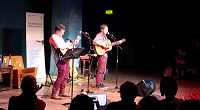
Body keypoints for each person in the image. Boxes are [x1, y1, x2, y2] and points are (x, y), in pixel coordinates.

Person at [49, 24, 81, 100]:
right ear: (57, 31)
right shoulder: (53, 37)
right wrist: (68, 46)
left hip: (65, 59)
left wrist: (72, 44)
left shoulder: (60, 38)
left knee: (66, 76)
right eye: (62, 32)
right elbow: (59, 46)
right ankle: (54, 93)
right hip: (59, 60)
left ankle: (62, 92)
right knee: (60, 77)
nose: (63, 33)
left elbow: (65, 46)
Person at [93, 24, 122, 88]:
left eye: (107, 29)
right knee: (100, 69)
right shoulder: (99, 35)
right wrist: (102, 45)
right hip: (101, 54)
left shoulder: (105, 37)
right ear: (102, 30)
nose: (107, 30)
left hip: (105, 54)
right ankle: (98, 84)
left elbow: (108, 45)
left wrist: (117, 43)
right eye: (106, 29)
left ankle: (101, 83)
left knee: (103, 70)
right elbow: (94, 42)